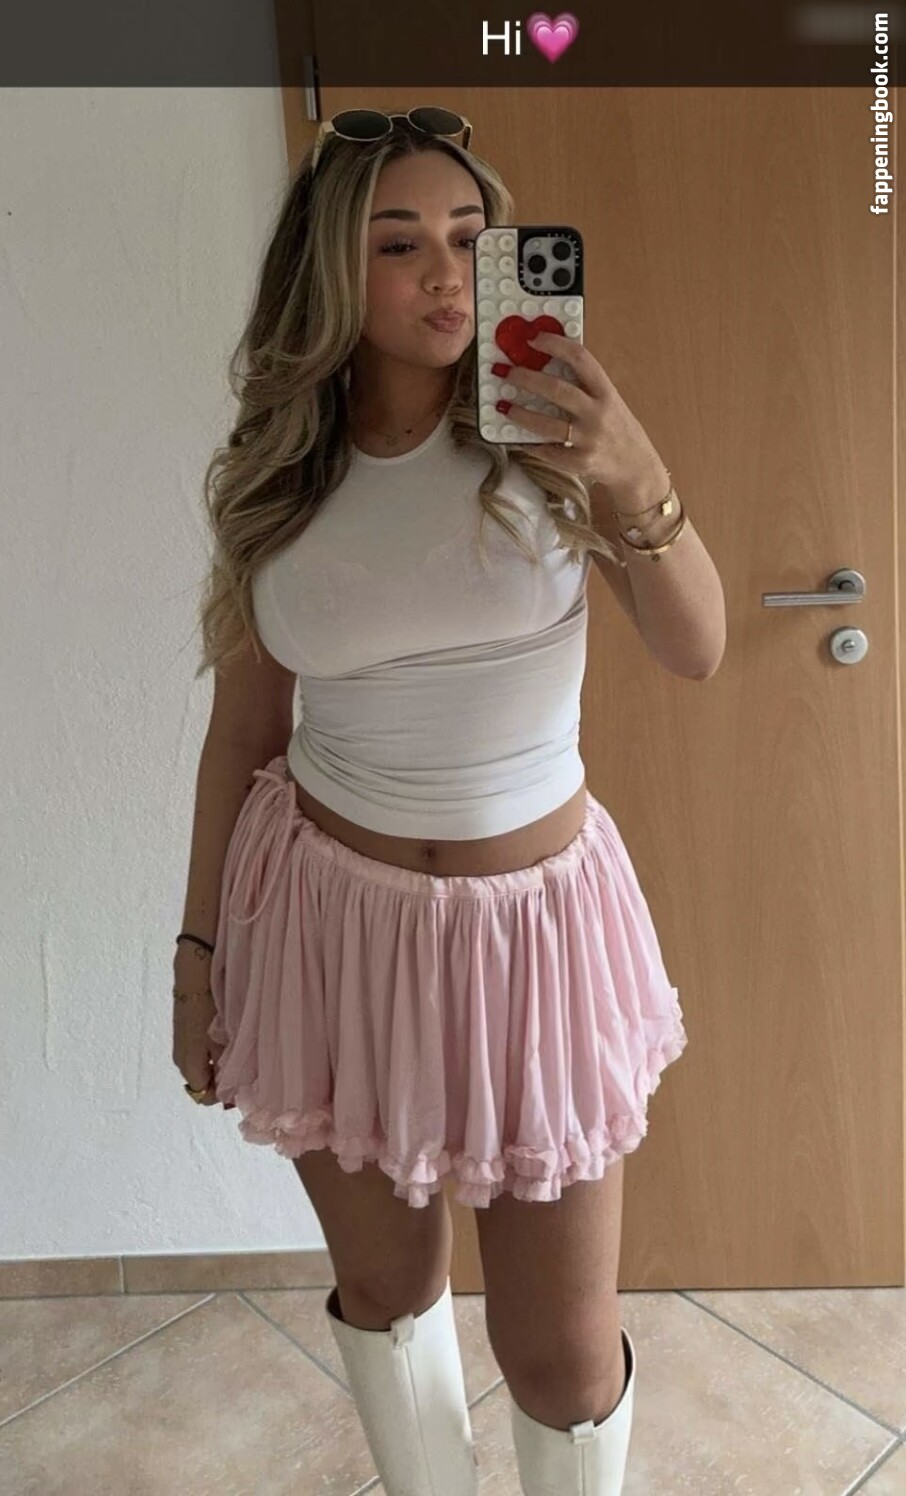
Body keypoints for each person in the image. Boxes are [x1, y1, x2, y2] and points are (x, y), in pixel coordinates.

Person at [172, 107, 693, 1496]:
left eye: (470, 237)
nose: (446, 274)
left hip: (535, 945)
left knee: (559, 1359)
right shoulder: (281, 477)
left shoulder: (556, 440)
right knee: (390, 1292)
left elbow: (696, 644)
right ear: (330, 273)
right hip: (329, 933)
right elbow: (243, 738)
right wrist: (196, 960)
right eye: (397, 243)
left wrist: (635, 474)